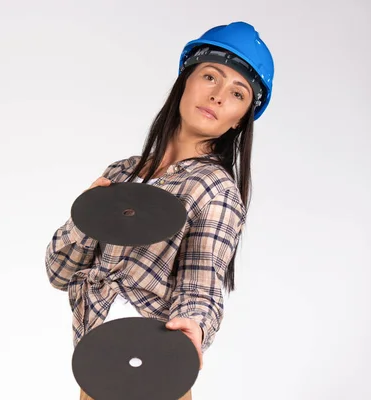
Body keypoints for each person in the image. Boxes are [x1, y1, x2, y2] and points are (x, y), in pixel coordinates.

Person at [44, 21, 274, 400]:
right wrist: (84, 216)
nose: (217, 96)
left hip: (155, 374)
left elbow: (202, 282)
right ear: (186, 80)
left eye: (237, 93)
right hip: (97, 368)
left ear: (240, 119)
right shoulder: (120, 174)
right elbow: (59, 273)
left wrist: (194, 328)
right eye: (210, 76)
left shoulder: (215, 190)